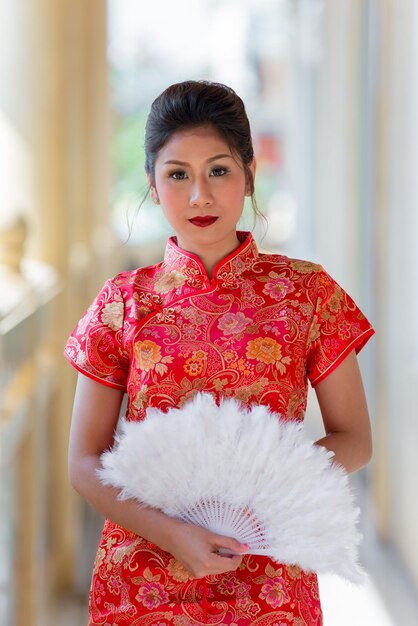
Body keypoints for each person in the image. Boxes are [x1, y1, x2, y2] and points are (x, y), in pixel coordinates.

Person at [65, 80, 374, 626]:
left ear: (250, 175)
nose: (199, 195)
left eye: (219, 170)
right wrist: (174, 534)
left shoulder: (307, 293)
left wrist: (270, 492)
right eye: (177, 174)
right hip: (143, 574)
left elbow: (355, 439)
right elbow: (85, 463)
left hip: (270, 571)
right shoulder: (122, 302)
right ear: (152, 185)